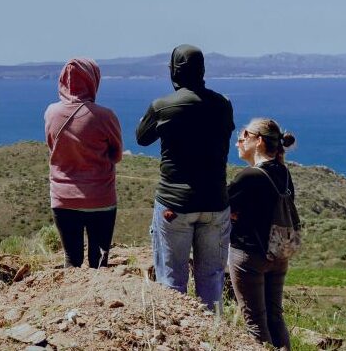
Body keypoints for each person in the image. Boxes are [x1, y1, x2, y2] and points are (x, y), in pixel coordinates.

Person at [136, 44, 235, 310]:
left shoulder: (162, 107)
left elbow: (141, 137)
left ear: (173, 71)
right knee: (212, 280)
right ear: (202, 71)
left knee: (171, 281)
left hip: (174, 204)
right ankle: (213, 338)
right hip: (215, 202)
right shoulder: (223, 105)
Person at [43, 58, 123, 268]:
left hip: (63, 199)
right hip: (100, 198)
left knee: (72, 260)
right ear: (93, 80)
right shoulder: (106, 116)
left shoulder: (51, 113)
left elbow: (52, 147)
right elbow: (117, 155)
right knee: (99, 261)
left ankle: (71, 301)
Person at [228, 119, 298, 350]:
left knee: (255, 322)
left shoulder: (249, 176)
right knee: (275, 317)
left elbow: (222, 208)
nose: (238, 142)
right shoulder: (283, 172)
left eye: (243, 136)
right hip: (279, 253)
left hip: (249, 256)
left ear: (258, 141)